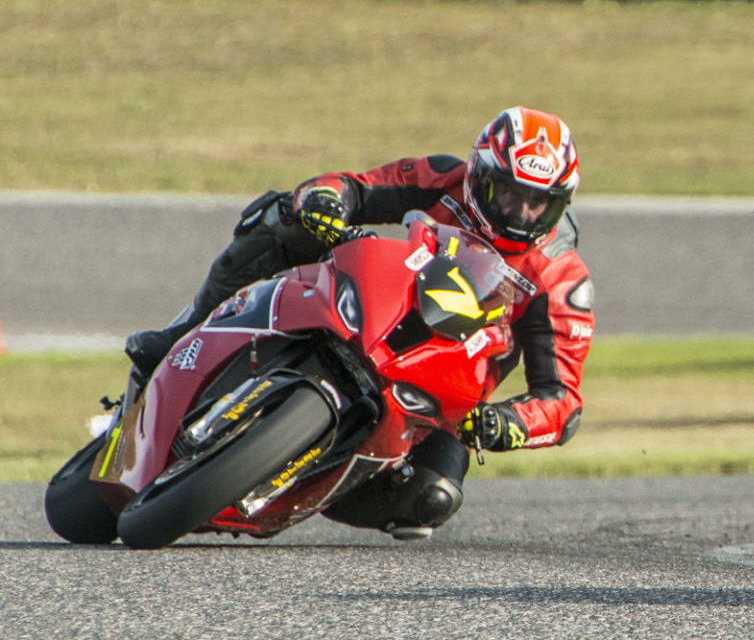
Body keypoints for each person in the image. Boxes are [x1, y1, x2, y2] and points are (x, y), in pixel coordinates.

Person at [122, 106, 595, 540]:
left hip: (440, 393)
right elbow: (351, 185)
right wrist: (326, 203)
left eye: (539, 203)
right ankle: (182, 333)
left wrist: (505, 422)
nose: (520, 213)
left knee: (434, 495)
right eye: (508, 193)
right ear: (479, 174)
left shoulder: (560, 278)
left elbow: (561, 401)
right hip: (373, 312)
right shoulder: (443, 179)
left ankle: (290, 485)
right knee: (284, 215)